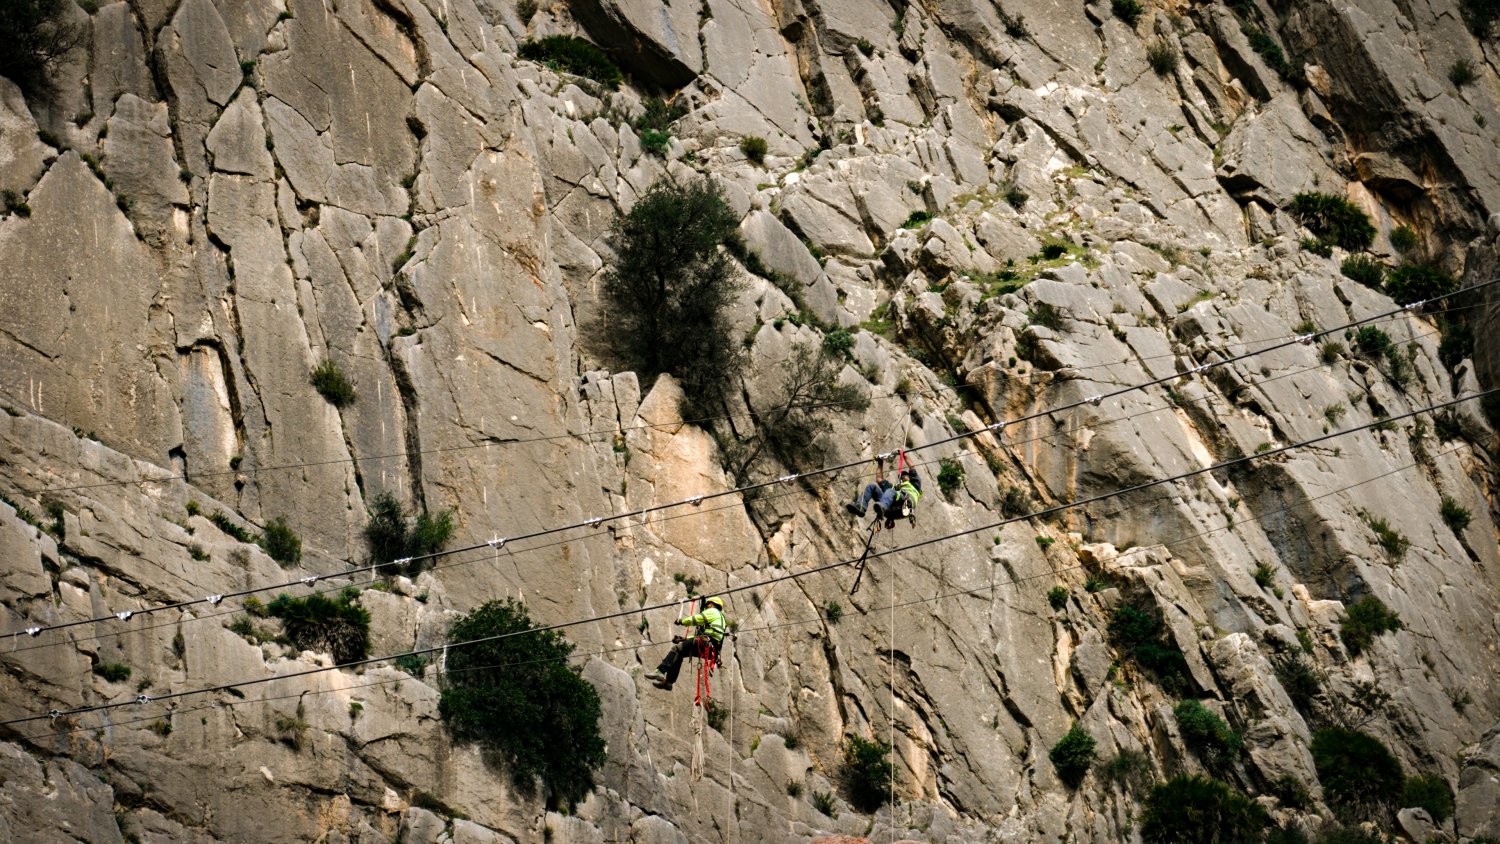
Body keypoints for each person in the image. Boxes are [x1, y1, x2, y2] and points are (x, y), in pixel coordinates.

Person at [645, 595, 727, 691]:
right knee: (680, 654)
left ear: (712, 604)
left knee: (676, 649)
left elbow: (697, 619)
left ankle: (660, 671)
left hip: (706, 643)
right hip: (712, 649)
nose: (706, 606)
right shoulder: (721, 618)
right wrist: (684, 639)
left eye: (708, 604)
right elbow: (703, 636)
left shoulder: (713, 611)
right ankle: (668, 682)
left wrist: (682, 621)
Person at [846, 457, 922, 528]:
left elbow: (912, 467)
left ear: (909, 477)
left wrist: (903, 455)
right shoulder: (895, 488)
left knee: (890, 492)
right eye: (901, 476)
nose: (902, 477)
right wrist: (880, 463)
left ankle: (882, 507)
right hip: (890, 511)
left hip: (905, 506)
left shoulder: (915, 484)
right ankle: (861, 507)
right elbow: (879, 479)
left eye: (904, 475)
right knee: (871, 486)